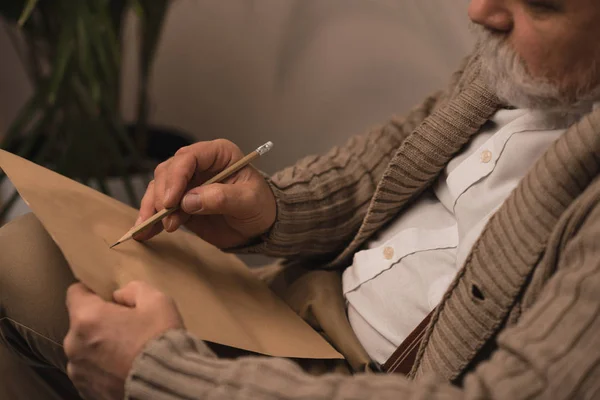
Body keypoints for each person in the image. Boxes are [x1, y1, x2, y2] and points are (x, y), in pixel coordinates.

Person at [2, 0, 600, 398]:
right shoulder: (531, 65)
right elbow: (406, 150)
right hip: (298, 301)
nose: (482, 10)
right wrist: (272, 209)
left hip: (356, 379)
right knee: (23, 253)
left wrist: (163, 374)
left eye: (542, 1)